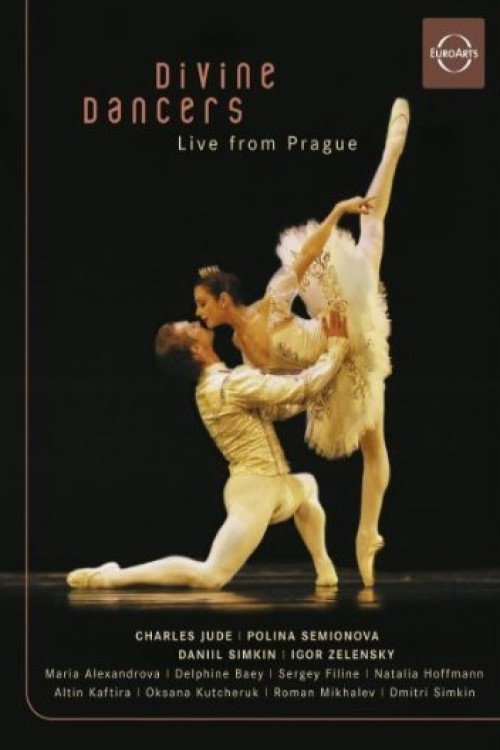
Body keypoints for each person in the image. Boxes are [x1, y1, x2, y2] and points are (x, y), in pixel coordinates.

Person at [193, 98, 410, 586]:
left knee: (370, 234)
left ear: (224, 300)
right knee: (371, 439)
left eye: (203, 304)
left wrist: (335, 213)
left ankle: (392, 150)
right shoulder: (242, 353)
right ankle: (367, 536)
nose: (199, 313)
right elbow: (277, 395)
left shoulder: (269, 306)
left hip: (340, 330)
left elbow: (305, 258)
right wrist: (310, 394)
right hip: (328, 368)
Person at [66, 312, 348, 591]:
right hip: (255, 490)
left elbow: (278, 407)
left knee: (308, 486)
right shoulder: (226, 385)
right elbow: (300, 388)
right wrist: (335, 349)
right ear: (196, 350)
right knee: (211, 576)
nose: (196, 323)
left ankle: (324, 567)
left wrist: (324, 385)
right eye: (190, 328)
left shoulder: (221, 383)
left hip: (274, 484)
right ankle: (112, 577)